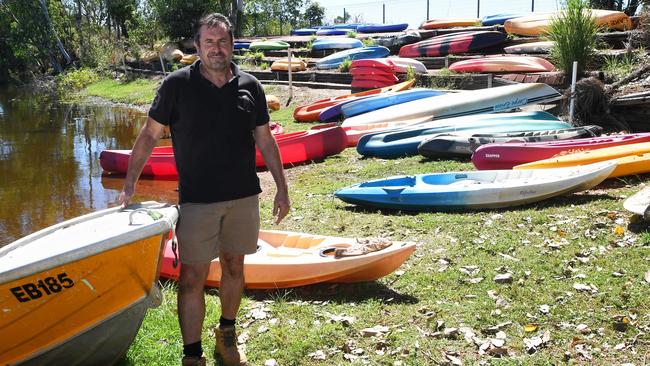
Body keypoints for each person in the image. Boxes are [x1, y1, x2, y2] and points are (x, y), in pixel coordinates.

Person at [118, 13, 290, 366]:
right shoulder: (176, 85)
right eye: (209, 42)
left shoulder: (250, 86)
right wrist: (130, 183)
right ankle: (192, 355)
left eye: (223, 41)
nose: (216, 48)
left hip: (243, 196)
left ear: (231, 44)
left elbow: (265, 139)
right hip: (197, 202)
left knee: (234, 266)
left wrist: (282, 188)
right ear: (196, 46)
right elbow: (149, 135)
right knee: (192, 276)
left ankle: (226, 332)